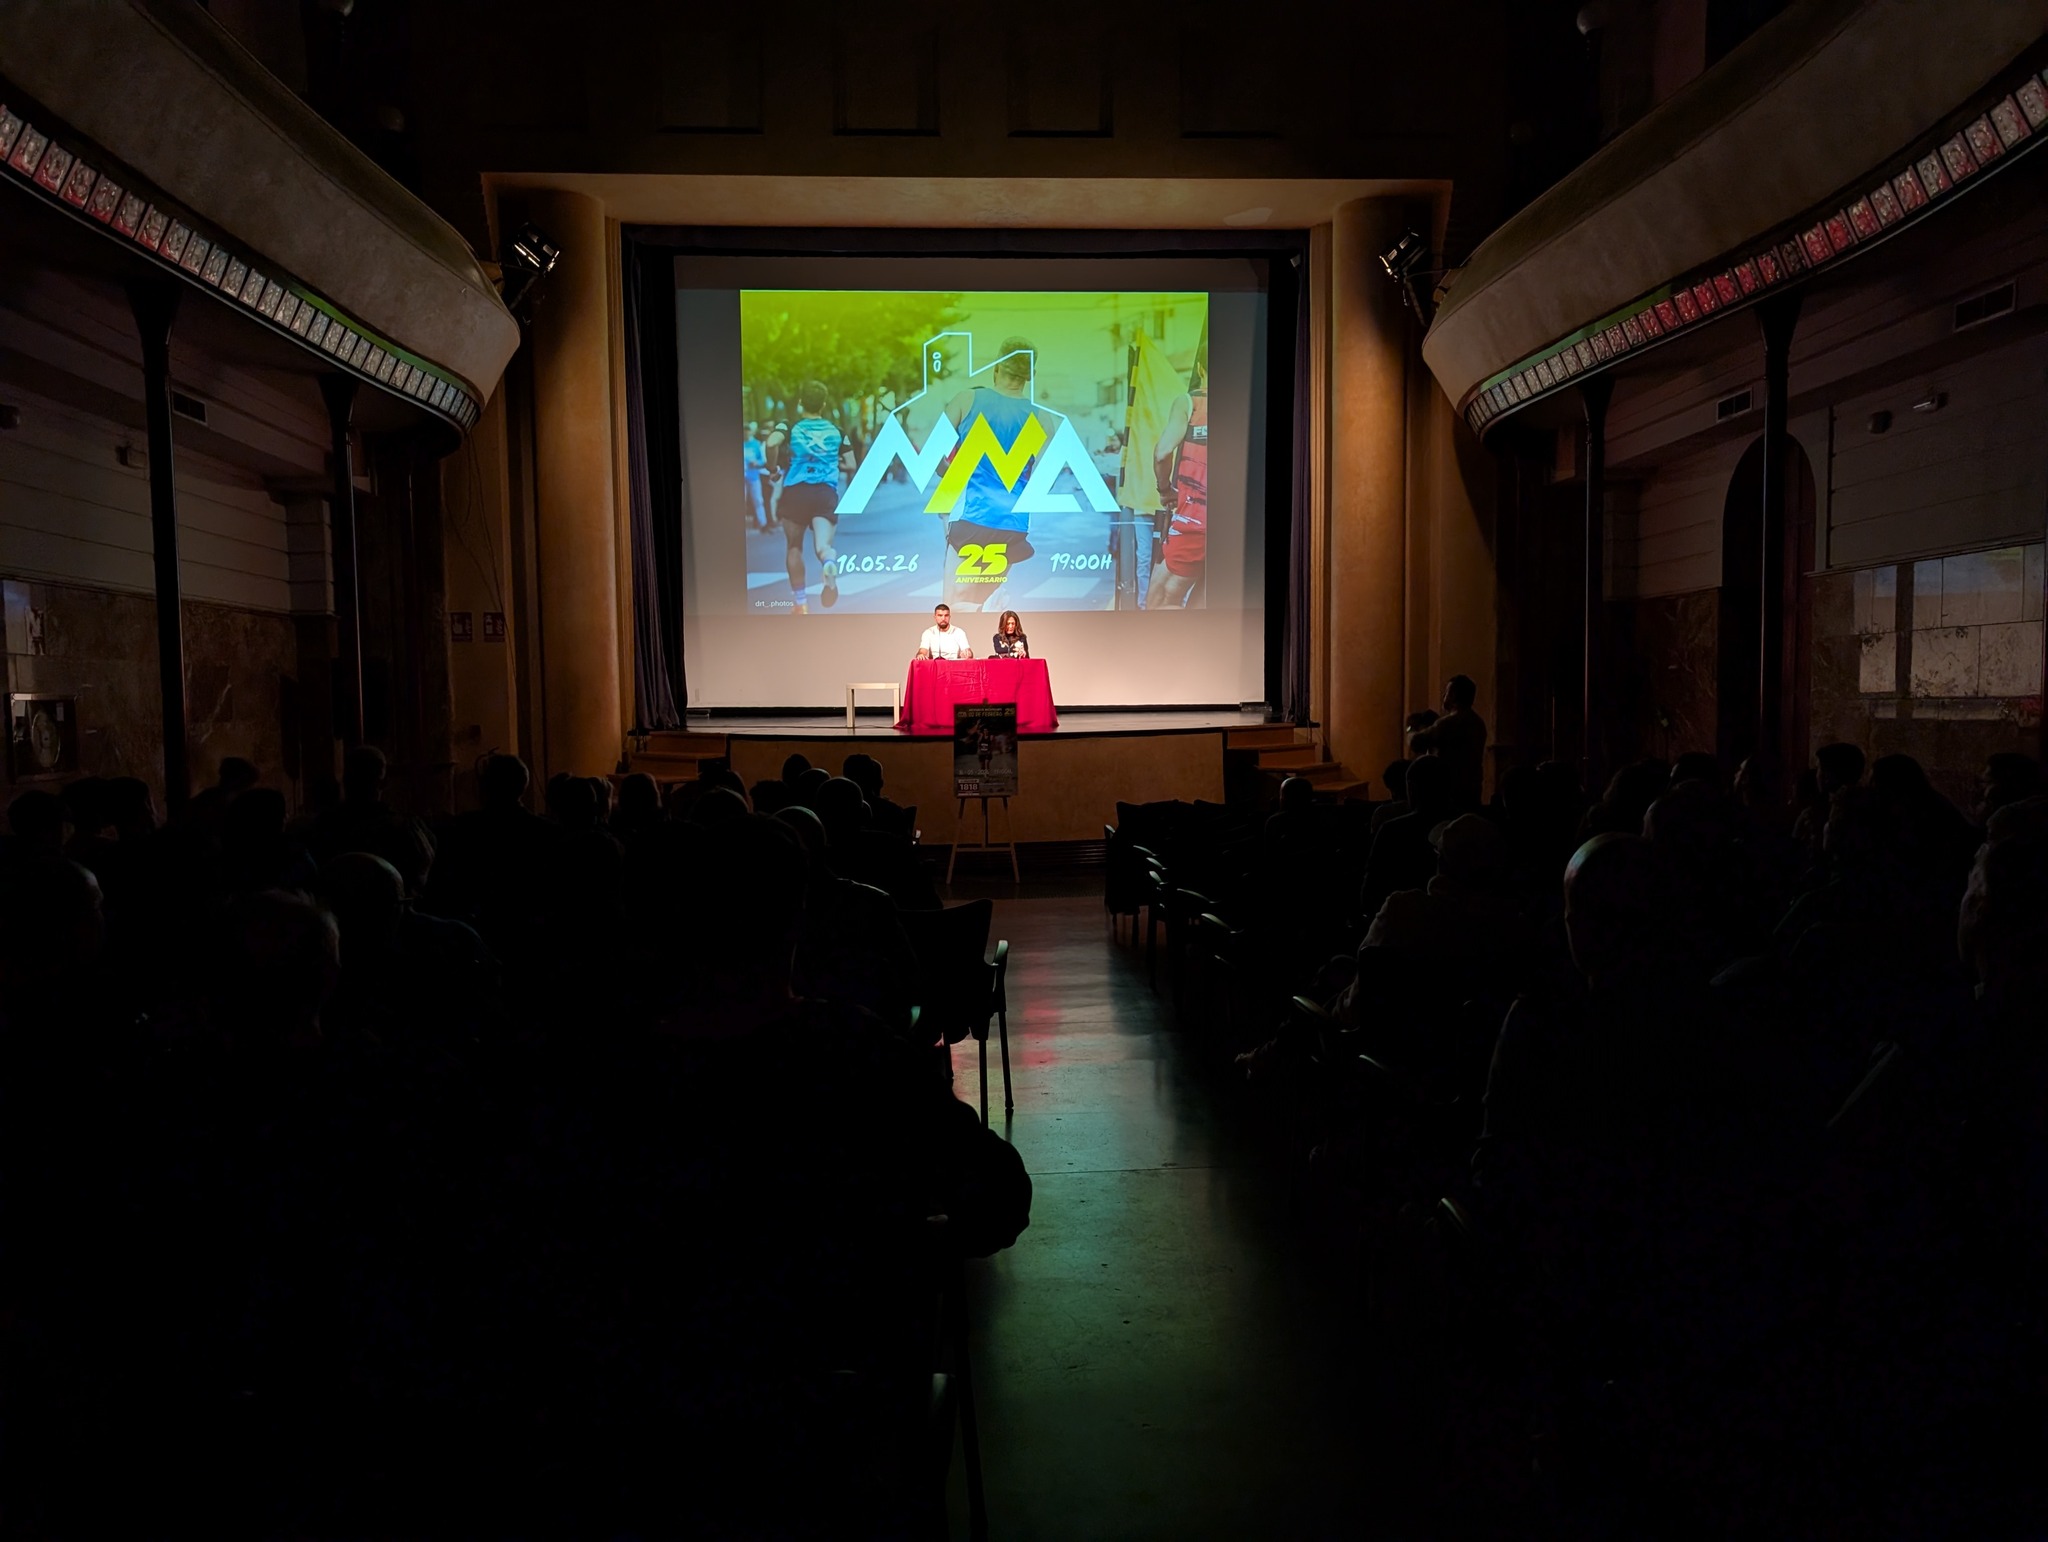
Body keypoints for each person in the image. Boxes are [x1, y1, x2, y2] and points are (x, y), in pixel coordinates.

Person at [939, 335, 1062, 613]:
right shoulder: (1042, 418)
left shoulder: (966, 399)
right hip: (1011, 523)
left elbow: (934, 455)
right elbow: (1044, 480)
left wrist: (954, 480)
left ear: (997, 367)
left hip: (970, 516)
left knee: (951, 604)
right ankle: (989, 610)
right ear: (1030, 375)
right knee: (982, 593)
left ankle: (987, 612)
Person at [762, 382, 855, 613]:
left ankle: (801, 603)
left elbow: (772, 442)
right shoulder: (838, 432)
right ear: (823, 404)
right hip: (824, 493)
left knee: (794, 547)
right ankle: (829, 562)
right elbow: (851, 464)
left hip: (796, 492)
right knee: (823, 546)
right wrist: (833, 463)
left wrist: (772, 468)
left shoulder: (789, 427)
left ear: (801, 402)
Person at [1145, 354, 1209, 611]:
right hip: (1240, 523)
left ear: (1200, 368)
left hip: (1197, 517)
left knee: (1160, 602)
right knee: (1208, 604)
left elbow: (1162, 452)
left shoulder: (1190, 402)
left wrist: (1164, 490)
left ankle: (1166, 651)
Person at [1433, 674, 1488, 809]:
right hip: (1472, 792)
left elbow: (1418, 741)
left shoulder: (1448, 723)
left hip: (1448, 794)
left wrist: (1410, 730)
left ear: (1453, 696)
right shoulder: (1478, 723)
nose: (1444, 696)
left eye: (1447, 692)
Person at [741, 422, 768, 530]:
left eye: (747, 432)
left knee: (757, 499)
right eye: (744, 432)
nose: (746, 434)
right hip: (742, 475)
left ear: (750, 432)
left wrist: (757, 462)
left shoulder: (756, 444)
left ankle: (763, 522)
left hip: (753, 475)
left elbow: (763, 460)